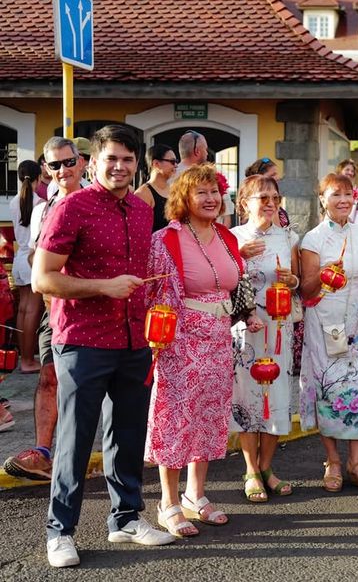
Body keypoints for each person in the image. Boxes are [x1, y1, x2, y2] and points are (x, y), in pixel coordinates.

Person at [33, 125, 176, 567]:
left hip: (134, 338)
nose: (119, 167)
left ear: (139, 166)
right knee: (75, 440)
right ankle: (60, 531)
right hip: (81, 340)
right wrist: (103, 287)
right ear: (92, 162)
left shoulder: (139, 209)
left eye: (128, 160)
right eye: (111, 158)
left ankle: (127, 518)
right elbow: (43, 279)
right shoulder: (71, 208)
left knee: (128, 435)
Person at [144, 164, 261, 536]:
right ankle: (168, 502)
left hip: (218, 337)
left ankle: (196, 495)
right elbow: (153, 294)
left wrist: (247, 314)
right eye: (201, 193)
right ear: (184, 198)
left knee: (209, 416)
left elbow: (234, 284)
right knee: (176, 417)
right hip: (180, 339)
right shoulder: (167, 239)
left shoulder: (225, 236)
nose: (211, 199)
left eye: (215, 192)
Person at [2, 138, 87, 482]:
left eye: (69, 162)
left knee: (88, 386)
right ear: (45, 170)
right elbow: (35, 256)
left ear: (81, 163)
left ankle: (82, 451)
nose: (63, 170)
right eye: (55, 165)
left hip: (93, 309)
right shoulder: (42, 209)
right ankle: (43, 452)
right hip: (57, 307)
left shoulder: (97, 201)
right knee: (49, 376)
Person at [300, 173, 358, 493]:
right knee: (329, 391)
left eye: (349, 194)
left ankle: (356, 461)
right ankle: (333, 460)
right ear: (322, 199)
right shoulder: (314, 239)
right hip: (325, 322)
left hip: (356, 325)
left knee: (357, 392)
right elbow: (306, 290)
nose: (344, 200)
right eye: (336, 195)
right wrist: (322, 273)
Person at [229, 175, 299, 502]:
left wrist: (293, 279)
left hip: (279, 327)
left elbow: (296, 280)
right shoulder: (231, 238)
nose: (270, 203)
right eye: (263, 197)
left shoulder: (288, 237)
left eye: (274, 197)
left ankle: (268, 467)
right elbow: (223, 280)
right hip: (247, 330)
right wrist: (238, 255)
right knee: (248, 398)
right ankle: (250, 469)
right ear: (245, 202)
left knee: (277, 397)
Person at [11, 160, 43, 373]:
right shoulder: (40, 202)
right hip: (32, 258)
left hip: (18, 259)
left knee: (23, 309)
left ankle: (25, 358)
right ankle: (28, 361)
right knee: (32, 310)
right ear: (38, 178)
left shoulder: (14, 201)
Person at [135, 144, 178, 232]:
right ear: (156, 164)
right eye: (172, 162)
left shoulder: (175, 190)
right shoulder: (143, 194)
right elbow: (140, 232)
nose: (176, 165)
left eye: (176, 161)